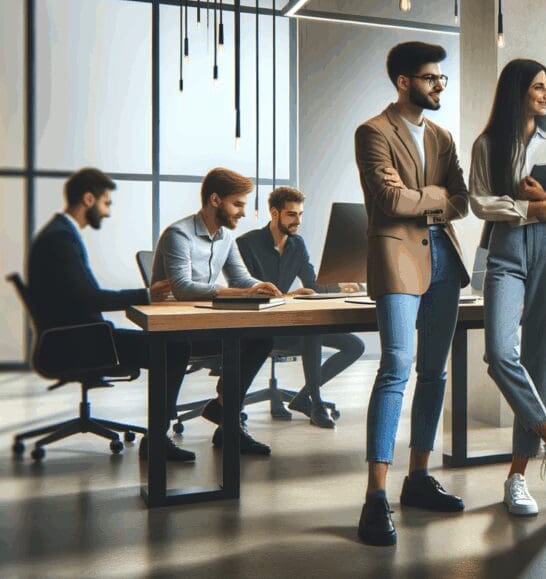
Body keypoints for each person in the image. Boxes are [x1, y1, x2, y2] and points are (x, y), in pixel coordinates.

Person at [353, 41, 470, 547]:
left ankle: (417, 477)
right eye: (430, 78)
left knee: (435, 370)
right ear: (404, 82)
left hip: (443, 259)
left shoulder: (442, 137)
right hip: (397, 256)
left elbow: (462, 201)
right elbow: (387, 198)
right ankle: (375, 496)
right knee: (397, 366)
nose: (439, 85)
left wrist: (429, 201)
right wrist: (437, 199)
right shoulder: (373, 132)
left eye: (440, 78)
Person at [470, 58, 546, 517]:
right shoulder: (488, 144)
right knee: (500, 354)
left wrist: (541, 203)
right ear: (517, 90)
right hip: (506, 251)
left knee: (541, 362)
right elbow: (482, 202)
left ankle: (517, 476)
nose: (545, 94)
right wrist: (535, 206)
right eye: (538, 86)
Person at [26, 168, 193, 461]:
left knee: (172, 345)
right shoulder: (60, 240)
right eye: (106, 203)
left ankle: (158, 435)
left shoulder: (59, 234)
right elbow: (91, 297)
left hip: (75, 336)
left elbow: (82, 296)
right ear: (88, 199)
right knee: (175, 347)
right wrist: (147, 296)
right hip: (80, 342)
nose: (107, 212)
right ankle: (157, 439)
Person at [153, 167, 284, 457]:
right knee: (180, 345)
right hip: (173, 330)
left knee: (260, 338)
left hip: (205, 325)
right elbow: (184, 288)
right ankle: (156, 439)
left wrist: (260, 286)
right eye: (237, 204)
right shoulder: (179, 234)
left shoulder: (225, 238)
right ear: (215, 200)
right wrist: (243, 293)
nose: (242, 212)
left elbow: (240, 280)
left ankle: (226, 416)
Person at [236, 186, 365, 429]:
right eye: (292, 214)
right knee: (312, 330)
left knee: (354, 345)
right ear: (274, 213)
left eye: (301, 214)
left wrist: (340, 285)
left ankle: (303, 396)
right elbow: (252, 292)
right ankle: (315, 403)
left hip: (290, 325)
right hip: (260, 328)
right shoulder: (247, 244)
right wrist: (289, 294)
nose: (298, 221)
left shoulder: (297, 244)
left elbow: (312, 284)